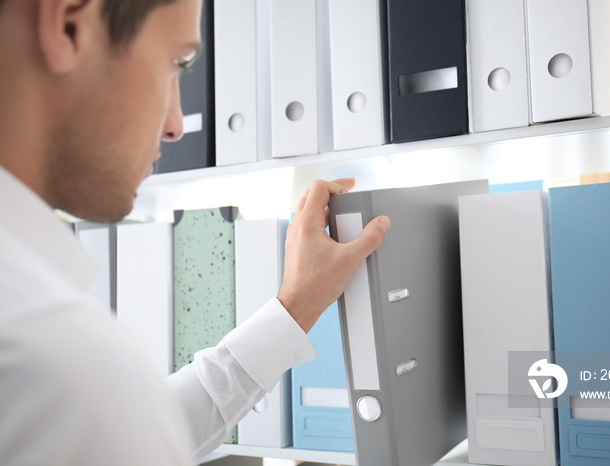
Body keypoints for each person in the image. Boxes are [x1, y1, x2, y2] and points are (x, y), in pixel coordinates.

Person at [0, 0, 390, 464]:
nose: (176, 125)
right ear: (68, 26)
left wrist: (295, 307)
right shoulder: (55, 365)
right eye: (173, 64)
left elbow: (137, 429)